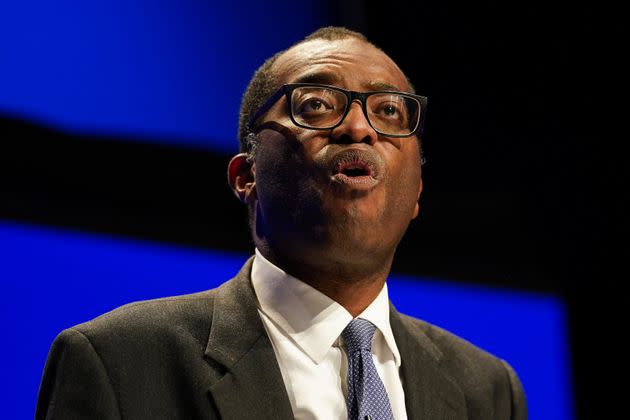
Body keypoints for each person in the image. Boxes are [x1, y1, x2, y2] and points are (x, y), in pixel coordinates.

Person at [36, 26, 527, 419]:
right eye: (315, 104)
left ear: (418, 191)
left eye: (389, 111)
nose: (358, 127)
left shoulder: (486, 391)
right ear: (246, 176)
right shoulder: (120, 363)